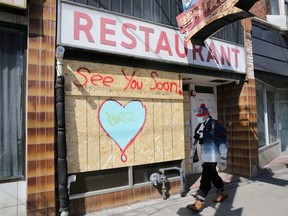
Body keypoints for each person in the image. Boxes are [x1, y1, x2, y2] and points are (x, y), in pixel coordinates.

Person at [187, 103, 228, 212]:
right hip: (202, 156)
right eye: (198, 116)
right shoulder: (199, 126)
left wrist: (224, 158)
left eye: (201, 116)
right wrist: (192, 154)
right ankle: (222, 190)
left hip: (212, 156)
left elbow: (222, 142)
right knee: (212, 174)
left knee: (205, 177)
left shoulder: (216, 125)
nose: (199, 118)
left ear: (207, 114)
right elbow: (195, 141)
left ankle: (199, 201)